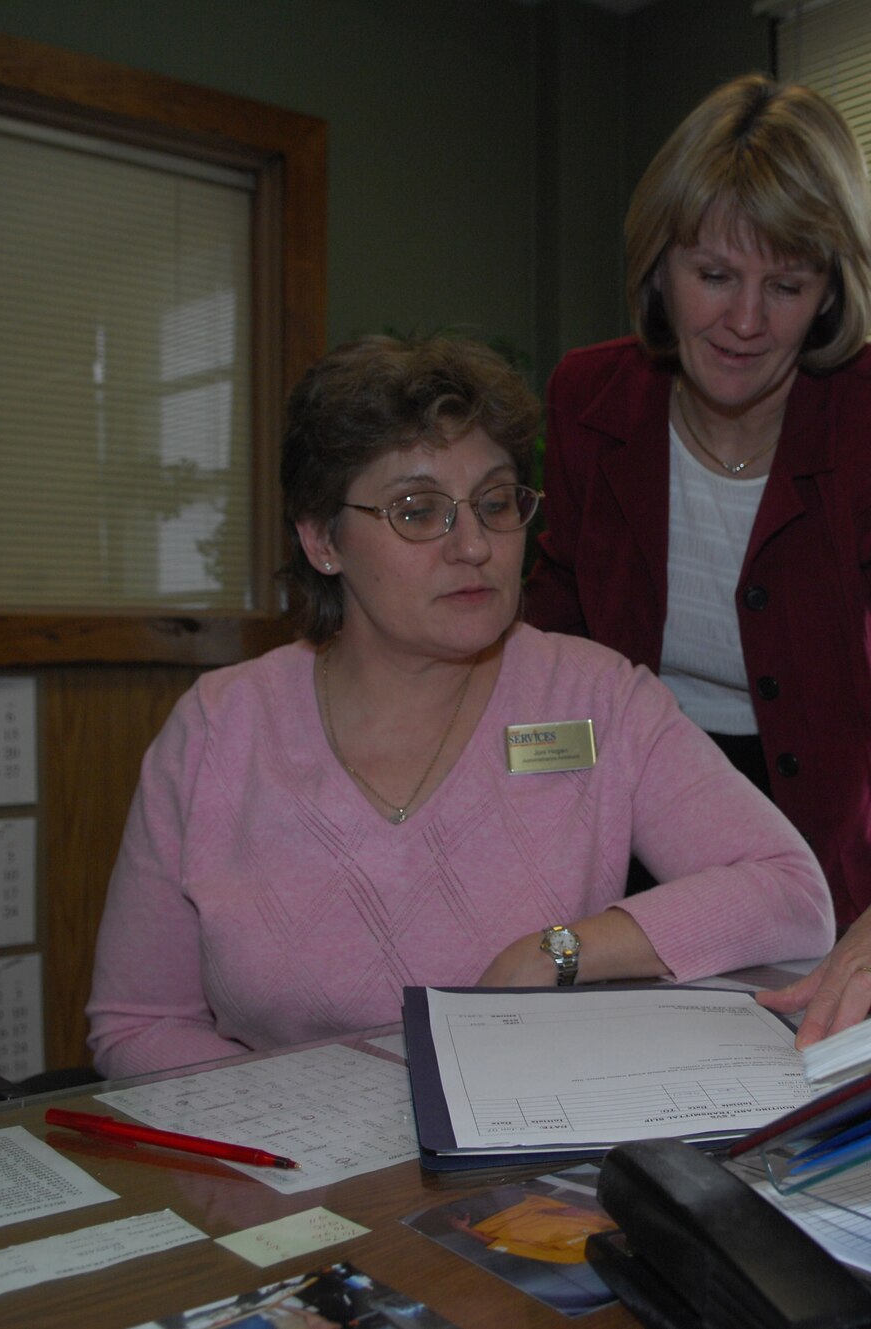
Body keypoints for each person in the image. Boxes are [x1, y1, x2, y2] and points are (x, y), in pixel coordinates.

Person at [85, 335, 833, 1079]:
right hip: (283, 1173)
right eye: (418, 511)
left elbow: (793, 893)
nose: (474, 544)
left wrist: (563, 950)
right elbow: (139, 1024)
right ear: (322, 540)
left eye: (496, 501)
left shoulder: (597, 699)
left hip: (520, 1167)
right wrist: (307, 1136)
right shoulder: (219, 728)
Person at [525, 74, 871, 1047]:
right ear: (658, 266)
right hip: (626, 815)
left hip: (811, 843)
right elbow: (553, 646)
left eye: (785, 285)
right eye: (713, 276)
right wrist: (529, 818)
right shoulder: (586, 398)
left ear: (830, 291)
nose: (744, 321)